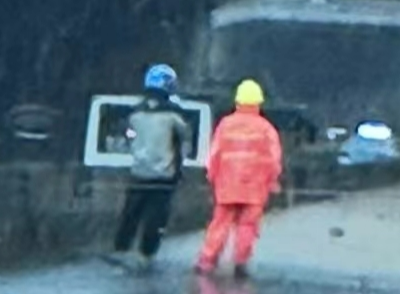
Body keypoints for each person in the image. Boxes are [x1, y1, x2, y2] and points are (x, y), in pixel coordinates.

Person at [195, 79, 283, 279]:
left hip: (227, 186)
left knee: (220, 223)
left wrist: (212, 177)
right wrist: (272, 181)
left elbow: (215, 154)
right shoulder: (266, 128)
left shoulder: (226, 125)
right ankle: (240, 263)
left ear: (237, 101)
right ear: (259, 103)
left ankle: (207, 261)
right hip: (255, 188)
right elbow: (274, 159)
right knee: (247, 226)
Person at [110, 63, 192, 270]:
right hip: (164, 177)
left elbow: (126, 138)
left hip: (139, 172)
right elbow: (185, 140)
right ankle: (147, 253)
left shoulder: (135, 113)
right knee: (156, 218)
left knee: (130, 213)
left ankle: (121, 248)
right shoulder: (176, 114)